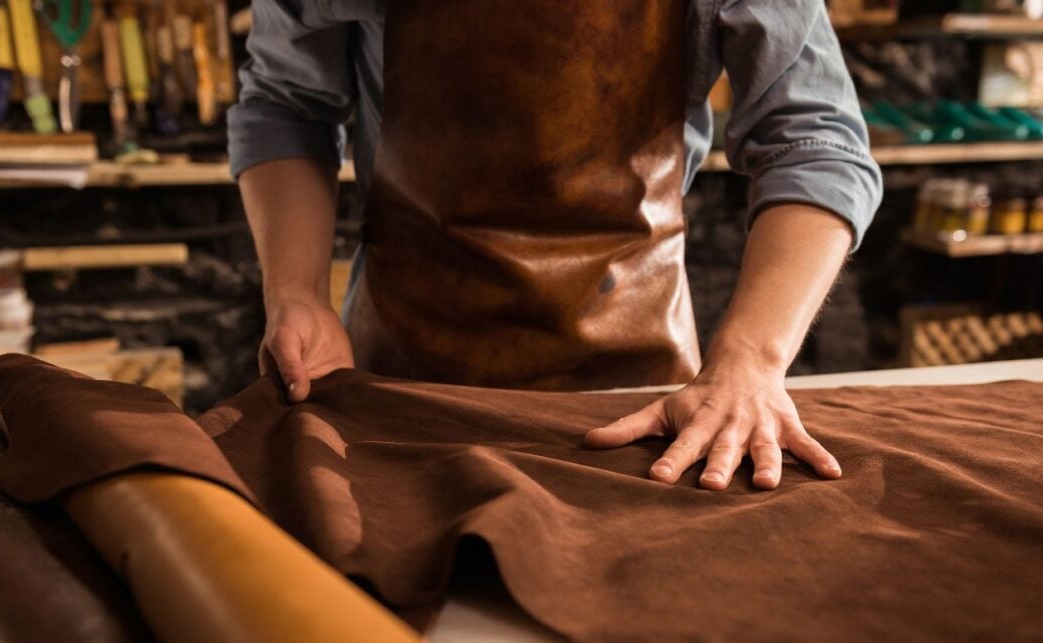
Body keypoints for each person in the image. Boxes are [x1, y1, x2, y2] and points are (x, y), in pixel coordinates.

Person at [228, 0, 883, 492]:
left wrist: (751, 360)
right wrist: (298, 293)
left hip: (640, 406)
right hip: (398, 386)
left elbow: (816, 139)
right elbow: (288, 104)